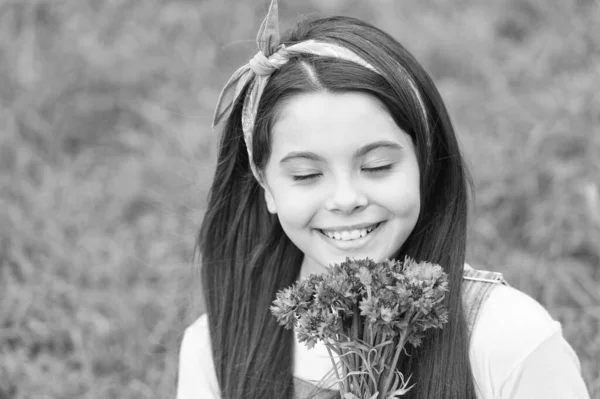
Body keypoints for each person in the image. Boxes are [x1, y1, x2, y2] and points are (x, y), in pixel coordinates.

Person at [176, 1, 591, 398]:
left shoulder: (507, 338)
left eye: (376, 166)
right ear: (265, 185)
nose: (346, 199)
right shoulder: (215, 346)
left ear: (424, 163)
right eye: (306, 175)